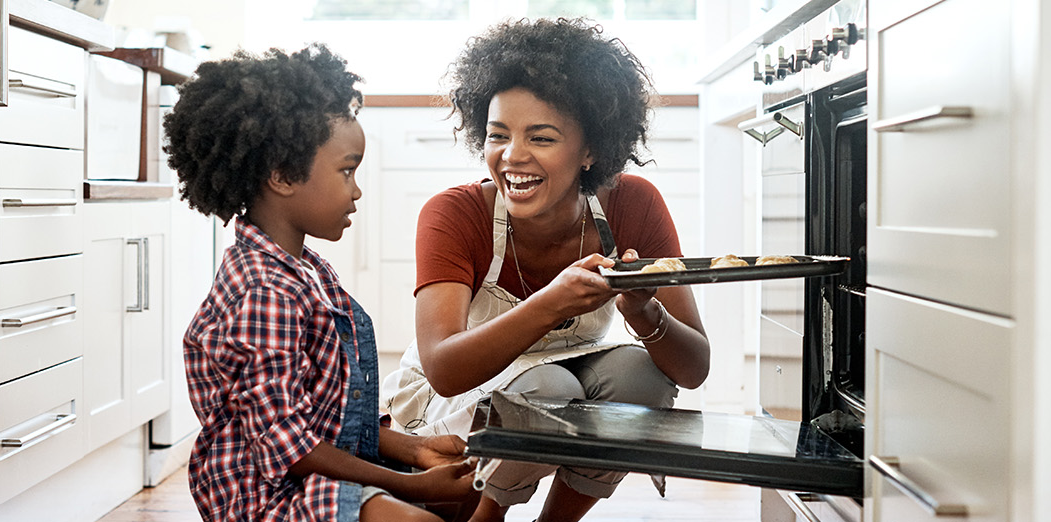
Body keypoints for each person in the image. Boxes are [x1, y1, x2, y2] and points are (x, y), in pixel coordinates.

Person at [379, 18, 712, 522]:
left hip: (575, 375)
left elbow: (693, 368)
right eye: (497, 135)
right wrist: (551, 302)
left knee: (639, 377)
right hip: (462, 398)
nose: (512, 156)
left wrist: (643, 313)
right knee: (547, 390)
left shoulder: (632, 205)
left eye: (542, 137)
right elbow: (445, 370)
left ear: (591, 150)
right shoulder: (455, 214)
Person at [166, 44, 479, 522]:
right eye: (346, 171)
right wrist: (406, 481)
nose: (356, 190)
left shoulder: (304, 269)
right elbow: (287, 446)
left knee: (460, 491)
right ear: (282, 176)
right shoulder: (264, 292)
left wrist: (415, 450)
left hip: (312, 471)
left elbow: (331, 417)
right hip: (266, 497)